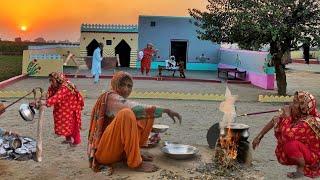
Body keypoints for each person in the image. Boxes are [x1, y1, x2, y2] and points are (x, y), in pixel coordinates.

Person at [87, 71, 182, 173]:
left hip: (118, 152)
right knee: (127, 114)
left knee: (147, 115)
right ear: (114, 84)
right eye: (122, 84)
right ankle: (135, 163)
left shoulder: (119, 100)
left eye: (129, 86)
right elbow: (135, 108)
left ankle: (135, 152)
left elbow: (143, 111)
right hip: (105, 154)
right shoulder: (110, 97)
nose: (126, 89)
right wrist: (166, 110)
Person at [252, 91, 320, 178]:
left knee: (290, 144)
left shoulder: (309, 121)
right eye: (293, 101)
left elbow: (288, 134)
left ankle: (301, 169)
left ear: (303, 108)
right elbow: (275, 120)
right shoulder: (299, 113)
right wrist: (259, 136)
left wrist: (287, 116)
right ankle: (301, 163)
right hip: (306, 149)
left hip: (315, 156)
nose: (291, 105)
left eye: (295, 103)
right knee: (284, 129)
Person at [46, 72, 84, 147]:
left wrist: (45, 102)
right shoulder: (55, 85)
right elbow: (49, 93)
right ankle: (68, 139)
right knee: (65, 122)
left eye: (52, 80)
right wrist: (43, 99)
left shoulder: (65, 87)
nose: (51, 82)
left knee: (72, 125)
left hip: (72, 107)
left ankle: (77, 141)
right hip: (64, 107)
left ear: (58, 80)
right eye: (50, 80)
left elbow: (56, 97)